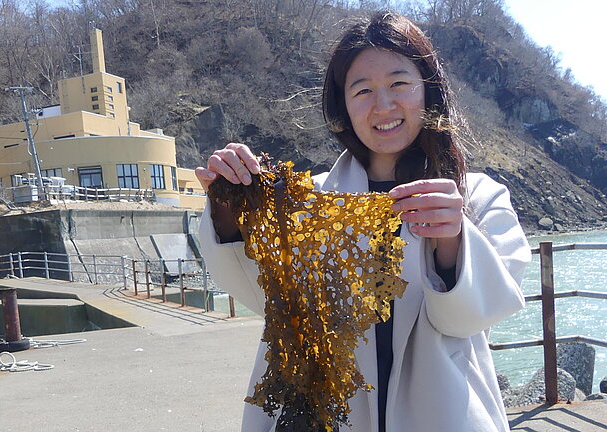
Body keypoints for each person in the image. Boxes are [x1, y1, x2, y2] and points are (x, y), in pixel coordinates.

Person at [195, 11, 531, 432]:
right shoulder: (308, 201)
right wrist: (228, 205)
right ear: (344, 106)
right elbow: (261, 296)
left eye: (399, 83)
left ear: (428, 91)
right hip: (324, 416)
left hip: (443, 412)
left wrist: (454, 238)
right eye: (362, 90)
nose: (383, 105)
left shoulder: (476, 196)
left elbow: (468, 318)